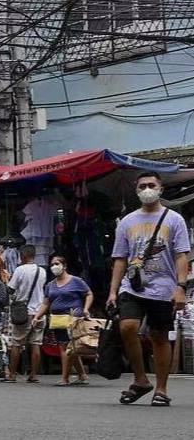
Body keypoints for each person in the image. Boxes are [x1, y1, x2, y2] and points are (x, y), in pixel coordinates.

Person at [109, 171, 190, 407]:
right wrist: (113, 291)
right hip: (132, 286)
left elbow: (181, 255)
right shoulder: (127, 222)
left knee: (159, 336)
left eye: (151, 185)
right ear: (136, 190)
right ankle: (141, 379)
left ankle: (161, 389)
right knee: (127, 327)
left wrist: (181, 287)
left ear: (160, 189)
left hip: (164, 288)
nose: (147, 189)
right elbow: (120, 259)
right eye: (142, 186)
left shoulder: (174, 219)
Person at [32, 256, 92, 386]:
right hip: (57, 320)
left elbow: (89, 294)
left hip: (73, 318)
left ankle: (65, 378)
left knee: (65, 347)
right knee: (71, 348)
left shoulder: (76, 281)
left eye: (57, 263)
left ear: (64, 266)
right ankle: (82, 374)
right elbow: (46, 303)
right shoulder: (50, 285)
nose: (54, 266)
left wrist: (86, 309)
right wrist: (37, 316)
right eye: (52, 264)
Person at [5, 245, 46, 384]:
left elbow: (10, 289)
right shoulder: (42, 271)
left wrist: (6, 279)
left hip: (24, 312)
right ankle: (33, 375)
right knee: (36, 343)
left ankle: (12, 375)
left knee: (16, 343)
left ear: (22, 256)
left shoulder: (20, 270)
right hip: (39, 312)